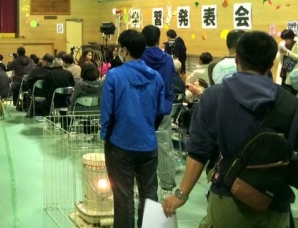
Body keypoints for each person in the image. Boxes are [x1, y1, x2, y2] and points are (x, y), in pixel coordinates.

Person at [162, 31, 298, 226]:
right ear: (271, 64)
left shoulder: (214, 96)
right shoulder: (290, 103)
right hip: (274, 201)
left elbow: (198, 151)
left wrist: (181, 195)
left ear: (237, 59)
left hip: (227, 197)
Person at [101, 29, 166, 228]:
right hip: (148, 144)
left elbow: (107, 112)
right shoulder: (156, 77)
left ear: (125, 50)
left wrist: (105, 135)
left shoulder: (114, 76)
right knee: (149, 194)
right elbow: (160, 111)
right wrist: (148, 129)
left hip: (120, 143)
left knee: (123, 196)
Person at [141, 25, 176, 197]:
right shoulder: (168, 59)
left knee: (140, 147)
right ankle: (167, 188)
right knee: (165, 147)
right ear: (158, 39)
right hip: (164, 108)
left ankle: (140, 185)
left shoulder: (139, 58)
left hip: (143, 109)